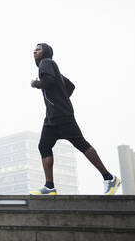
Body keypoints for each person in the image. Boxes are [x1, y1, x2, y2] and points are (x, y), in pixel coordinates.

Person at [30, 43, 121, 195]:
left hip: (61, 115)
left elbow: (48, 82)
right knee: (44, 146)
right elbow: (70, 86)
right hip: (52, 118)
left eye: (38, 49)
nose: (34, 51)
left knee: (82, 144)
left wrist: (35, 84)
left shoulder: (46, 63)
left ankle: (110, 178)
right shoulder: (53, 68)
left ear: (45, 52)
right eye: (34, 50)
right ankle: (49, 187)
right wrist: (62, 98)